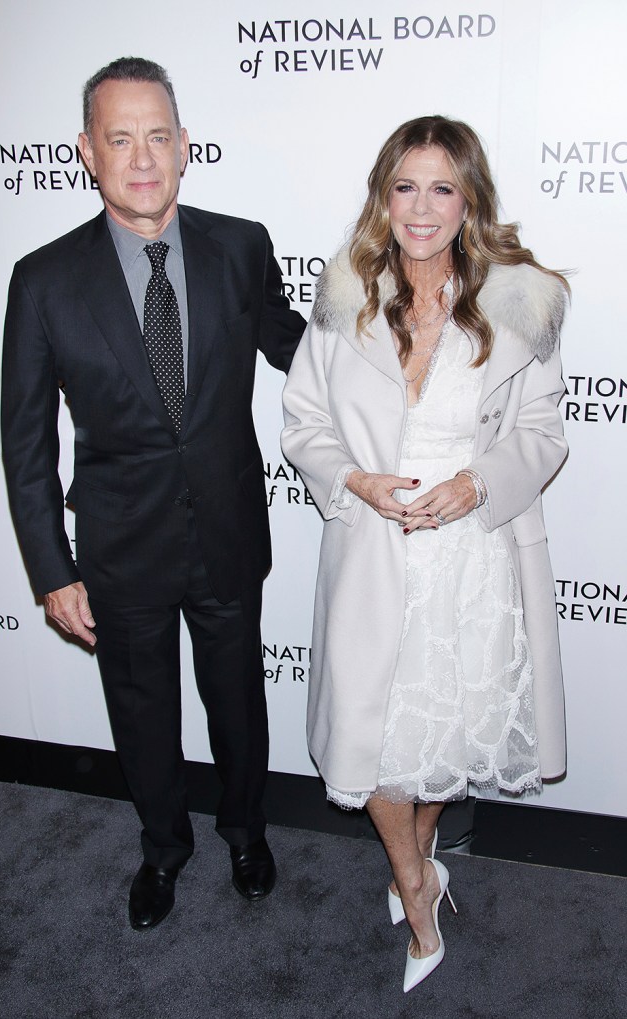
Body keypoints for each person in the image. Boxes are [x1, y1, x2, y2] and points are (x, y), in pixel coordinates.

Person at [1, 56, 305, 931]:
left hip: (228, 529)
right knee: (142, 717)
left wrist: (392, 338)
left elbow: (292, 344)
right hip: (118, 544)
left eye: (158, 136)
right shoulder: (43, 279)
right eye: (121, 137)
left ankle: (247, 831)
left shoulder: (241, 244)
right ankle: (164, 847)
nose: (143, 157)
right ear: (88, 152)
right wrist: (51, 571)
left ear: (184, 146)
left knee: (239, 702)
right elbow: (25, 439)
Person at [281, 116, 568, 991]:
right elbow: (305, 423)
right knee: (369, 746)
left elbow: (544, 432)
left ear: (469, 197)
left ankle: (425, 855)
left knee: (442, 737)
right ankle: (415, 882)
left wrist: (478, 482)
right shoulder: (345, 294)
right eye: (405, 185)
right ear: (383, 194)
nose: (422, 206)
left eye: (442, 186)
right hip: (373, 555)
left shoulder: (521, 299)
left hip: (472, 564)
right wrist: (356, 480)